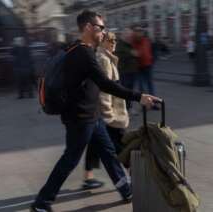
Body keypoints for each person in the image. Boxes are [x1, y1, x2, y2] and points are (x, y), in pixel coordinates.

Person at [30, 10, 160, 212]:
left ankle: (125, 189)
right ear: (89, 28)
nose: (103, 32)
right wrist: (139, 97)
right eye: (100, 28)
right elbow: (105, 84)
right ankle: (41, 203)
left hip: (92, 115)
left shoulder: (77, 49)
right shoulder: (83, 52)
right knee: (70, 159)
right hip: (81, 118)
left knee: (108, 152)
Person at [83, 31, 130, 188]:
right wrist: (109, 115)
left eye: (115, 40)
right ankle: (132, 175)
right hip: (111, 113)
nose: (114, 42)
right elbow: (104, 90)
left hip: (107, 111)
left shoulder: (107, 58)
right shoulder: (103, 60)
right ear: (102, 42)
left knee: (95, 142)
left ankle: (88, 177)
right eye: (110, 40)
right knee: (121, 145)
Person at [115, 28, 139, 110]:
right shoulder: (119, 44)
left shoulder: (129, 44)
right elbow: (118, 55)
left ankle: (128, 106)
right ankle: (125, 107)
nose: (130, 38)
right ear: (124, 36)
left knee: (130, 90)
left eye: (131, 36)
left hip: (131, 71)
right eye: (129, 36)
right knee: (126, 90)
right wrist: (131, 53)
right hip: (124, 72)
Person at [132, 27, 155, 95]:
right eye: (137, 32)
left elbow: (150, 51)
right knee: (141, 85)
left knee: (149, 84)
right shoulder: (133, 42)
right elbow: (134, 53)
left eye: (140, 32)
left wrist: (152, 59)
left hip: (148, 65)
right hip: (139, 67)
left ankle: (152, 99)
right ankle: (144, 101)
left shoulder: (146, 40)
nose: (139, 33)